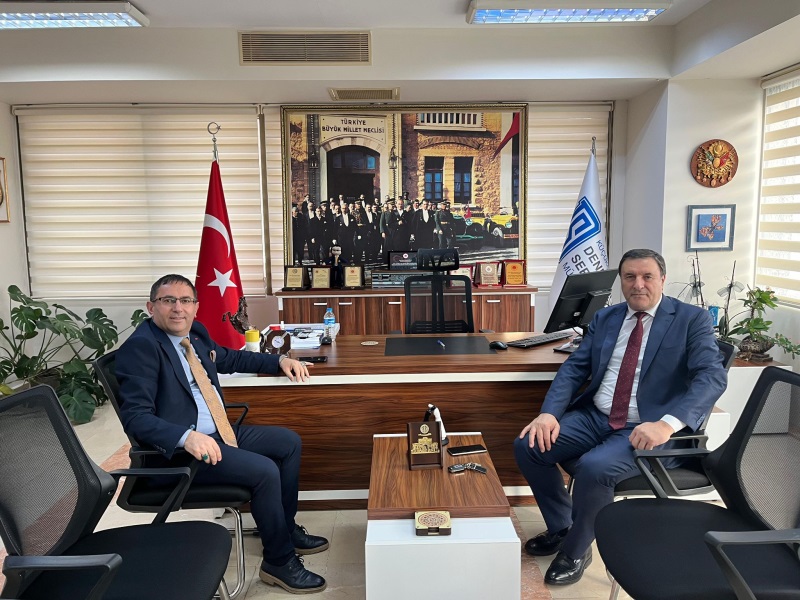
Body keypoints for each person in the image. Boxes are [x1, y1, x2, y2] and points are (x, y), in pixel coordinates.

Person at [513, 249, 727, 586]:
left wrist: (667, 424)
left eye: (647, 276)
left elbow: (711, 378)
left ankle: (576, 551)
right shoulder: (606, 318)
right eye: (630, 277)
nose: (638, 284)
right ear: (621, 281)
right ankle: (563, 528)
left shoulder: (691, 319)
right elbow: (574, 368)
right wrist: (548, 414)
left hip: (647, 427)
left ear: (662, 280)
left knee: (594, 467)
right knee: (529, 445)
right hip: (596, 417)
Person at [116, 274, 329, 594]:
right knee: (265, 471)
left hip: (219, 432)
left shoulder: (195, 334)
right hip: (182, 453)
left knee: (288, 442)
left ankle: (284, 530)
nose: (178, 308)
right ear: (151, 307)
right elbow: (136, 417)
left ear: (196, 307)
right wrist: (186, 437)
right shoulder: (141, 348)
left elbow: (231, 358)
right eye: (168, 300)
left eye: (185, 301)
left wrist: (280, 360)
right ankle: (278, 561)